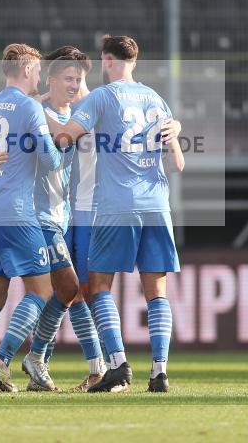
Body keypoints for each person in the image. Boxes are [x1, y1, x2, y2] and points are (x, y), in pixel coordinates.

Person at [46, 35, 185, 393]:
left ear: (107, 60)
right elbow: (177, 164)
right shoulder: (156, 99)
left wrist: (36, 114)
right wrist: (175, 131)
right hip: (157, 204)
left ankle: (118, 365)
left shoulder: (102, 97)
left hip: (116, 205)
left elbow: (64, 138)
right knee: (157, 292)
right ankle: (159, 372)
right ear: (134, 61)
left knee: (98, 287)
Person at [0, 43, 62, 393]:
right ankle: (2, 362)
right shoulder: (29, 107)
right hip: (16, 212)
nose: (39, 77)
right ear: (26, 69)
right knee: (41, 290)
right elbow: (51, 162)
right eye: (37, 70)